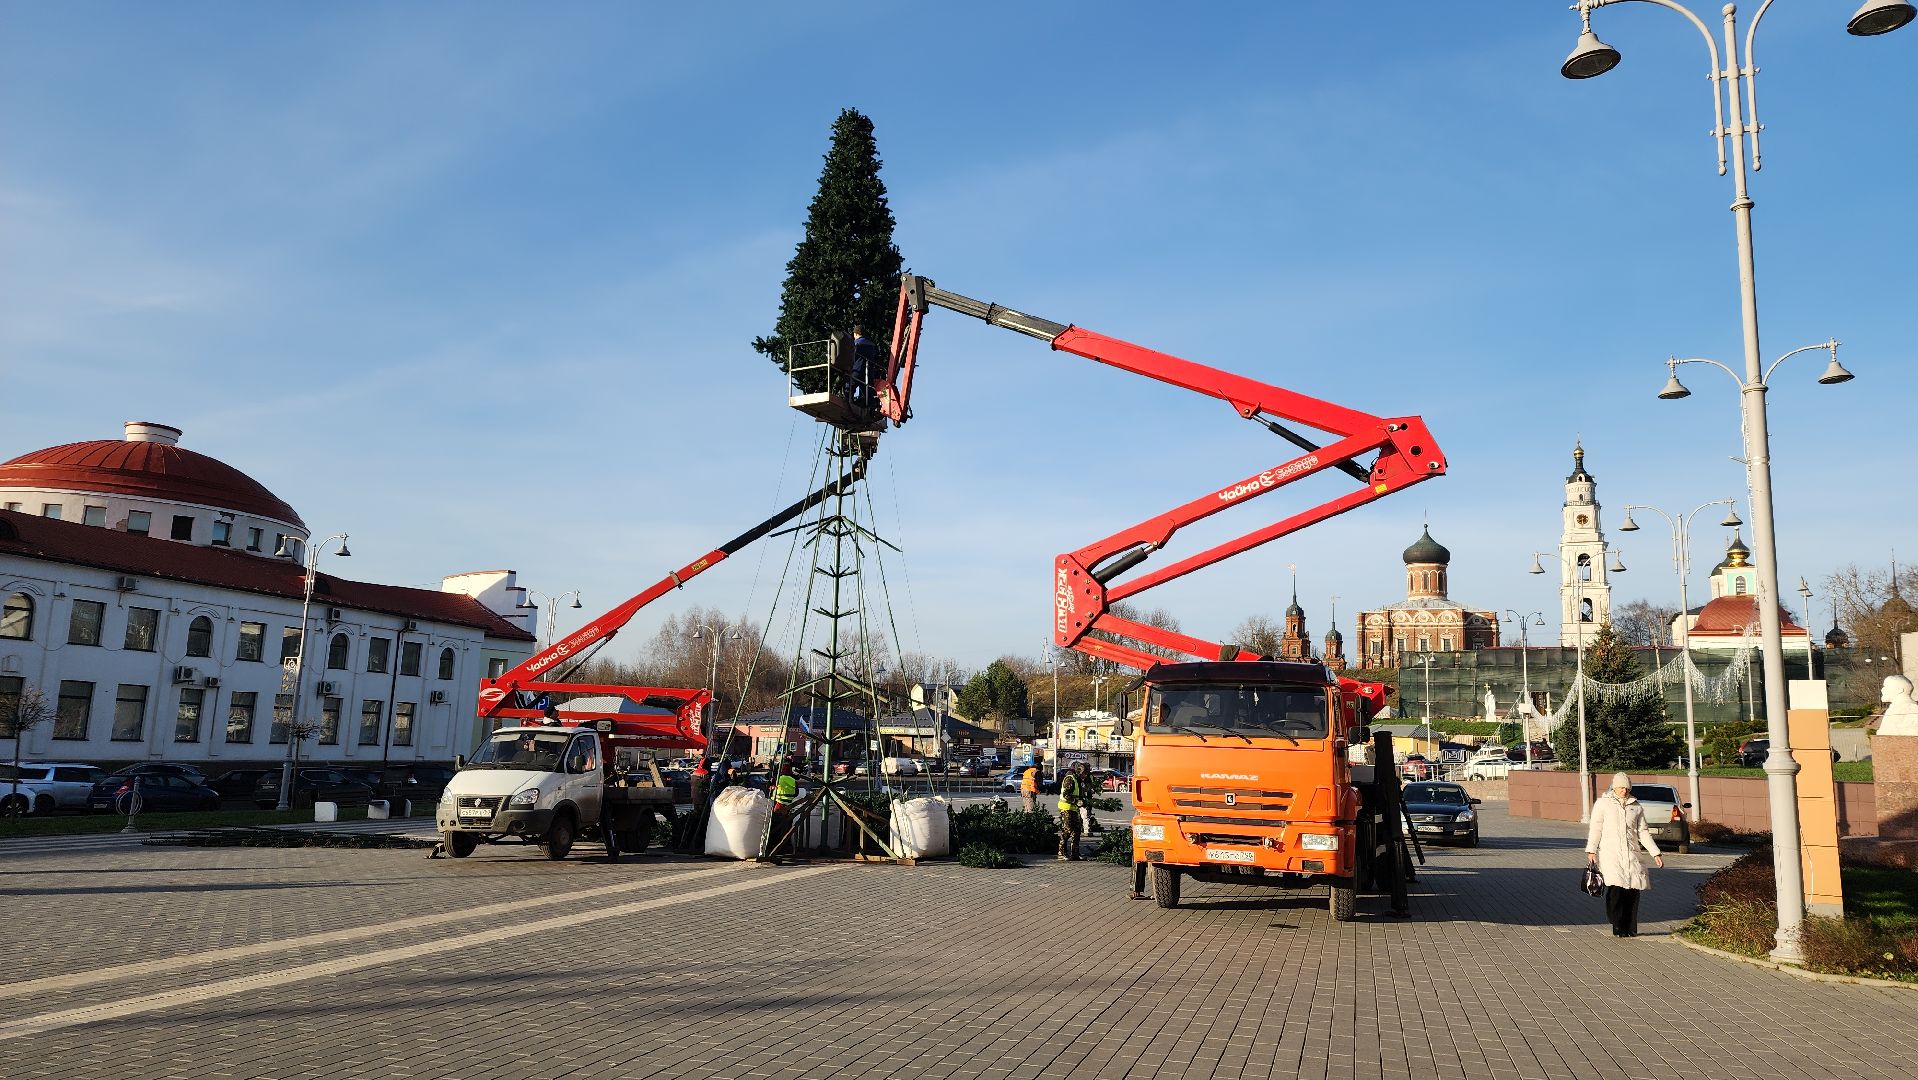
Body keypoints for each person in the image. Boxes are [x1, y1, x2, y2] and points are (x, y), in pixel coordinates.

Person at [1586, 771, 1664, 937]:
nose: (1624, 791)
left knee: (1633, 891)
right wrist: (1591, 850)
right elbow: (1596, 828)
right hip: (1611, 853)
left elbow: (1643, 832)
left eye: (1627, 788)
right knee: (1616, 890)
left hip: (1632, 854)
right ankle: (1617, 924)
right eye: (1621, 787)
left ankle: (1630, 928)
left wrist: (1655, 853)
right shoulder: (1603, 804)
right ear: (1615, 787)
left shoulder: (1636, 806)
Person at [1057, 764, 1088, 861]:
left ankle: (1075, 854)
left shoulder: (1077, 780)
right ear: (1080, 772)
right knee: (1067, 830)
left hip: (1074, 809)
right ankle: (1061, 852)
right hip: (1066, 809)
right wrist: (1076, 801)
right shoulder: (1070, 779)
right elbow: (1066, 795)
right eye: (1085, 773)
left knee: (1077, 831)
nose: (1086, 776)